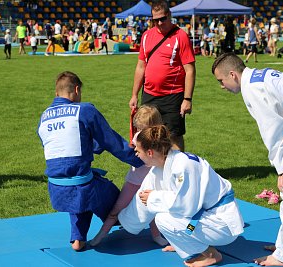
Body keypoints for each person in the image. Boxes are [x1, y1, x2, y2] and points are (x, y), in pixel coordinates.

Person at [212, 52, 283, 266]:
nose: (222, 86)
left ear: (232, 74)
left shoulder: (253, 88)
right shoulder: (257, 77)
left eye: (221, 80)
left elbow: (274, 129)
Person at [37, 71, 144, 252]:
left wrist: (93, 145)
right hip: (82, 186)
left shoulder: (44, 117)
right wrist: (142, 159)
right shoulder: (85, 110)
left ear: (56, 93)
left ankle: (77, 238)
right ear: (77, 90)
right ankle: (122, 221)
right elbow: (113, 143)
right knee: (101, 189)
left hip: (55, 189)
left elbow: (63, 146)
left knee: (79, 185)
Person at [118, 125, 244, 267]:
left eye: (138, 150)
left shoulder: (184, 166)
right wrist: (121, 220)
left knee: (163, 218)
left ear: (150, 152)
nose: (136, 154)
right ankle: (185, 244)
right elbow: (143, 198)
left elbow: (186, 206)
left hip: (221, 223)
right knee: (162, 210)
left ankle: (211, 255)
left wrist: (154, 198)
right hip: (202, 217)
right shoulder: (159, 168)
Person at [90, 105, 168, 247]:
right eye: (138, 128)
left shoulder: (159, 141)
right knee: (117, 208)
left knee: (152, 210)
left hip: (150, 182)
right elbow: (131, 152)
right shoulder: (139, 137)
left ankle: (156, 235)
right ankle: (102, 234)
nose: (139, 131)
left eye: (142, 128)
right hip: (134, 181)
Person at [128, 0, 195, 152]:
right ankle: (153, 169)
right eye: (155, 20)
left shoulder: (181, 36)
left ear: (169, 15)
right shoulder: (146, 36)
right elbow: (140, 67)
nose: (159, 23)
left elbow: (190, 70)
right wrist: (134, 95)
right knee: (147, 134)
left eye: (162, 18)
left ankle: (178, 170)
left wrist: (187, 99)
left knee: (174, 136)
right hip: (149, 95)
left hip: (173, 96)